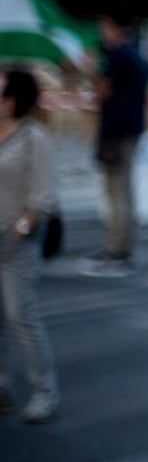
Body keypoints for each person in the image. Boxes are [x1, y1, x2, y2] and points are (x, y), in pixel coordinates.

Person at [0, 70, 61, 423]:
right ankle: (2, 388)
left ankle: (45, 392)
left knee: (21, 317)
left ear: (12, 101)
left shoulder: (33, 138)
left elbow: (44, 197)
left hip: (15, 243)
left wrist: (20, 230)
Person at [81, 14, 148, 279]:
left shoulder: (119, 56)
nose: (102, 33)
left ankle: (115, 250)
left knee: (116, 190)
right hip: (130, 129)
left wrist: (89, 70)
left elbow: (103, 90)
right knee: (124, 190)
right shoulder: (136, 55)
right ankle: (122, 248)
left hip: (117, 130)